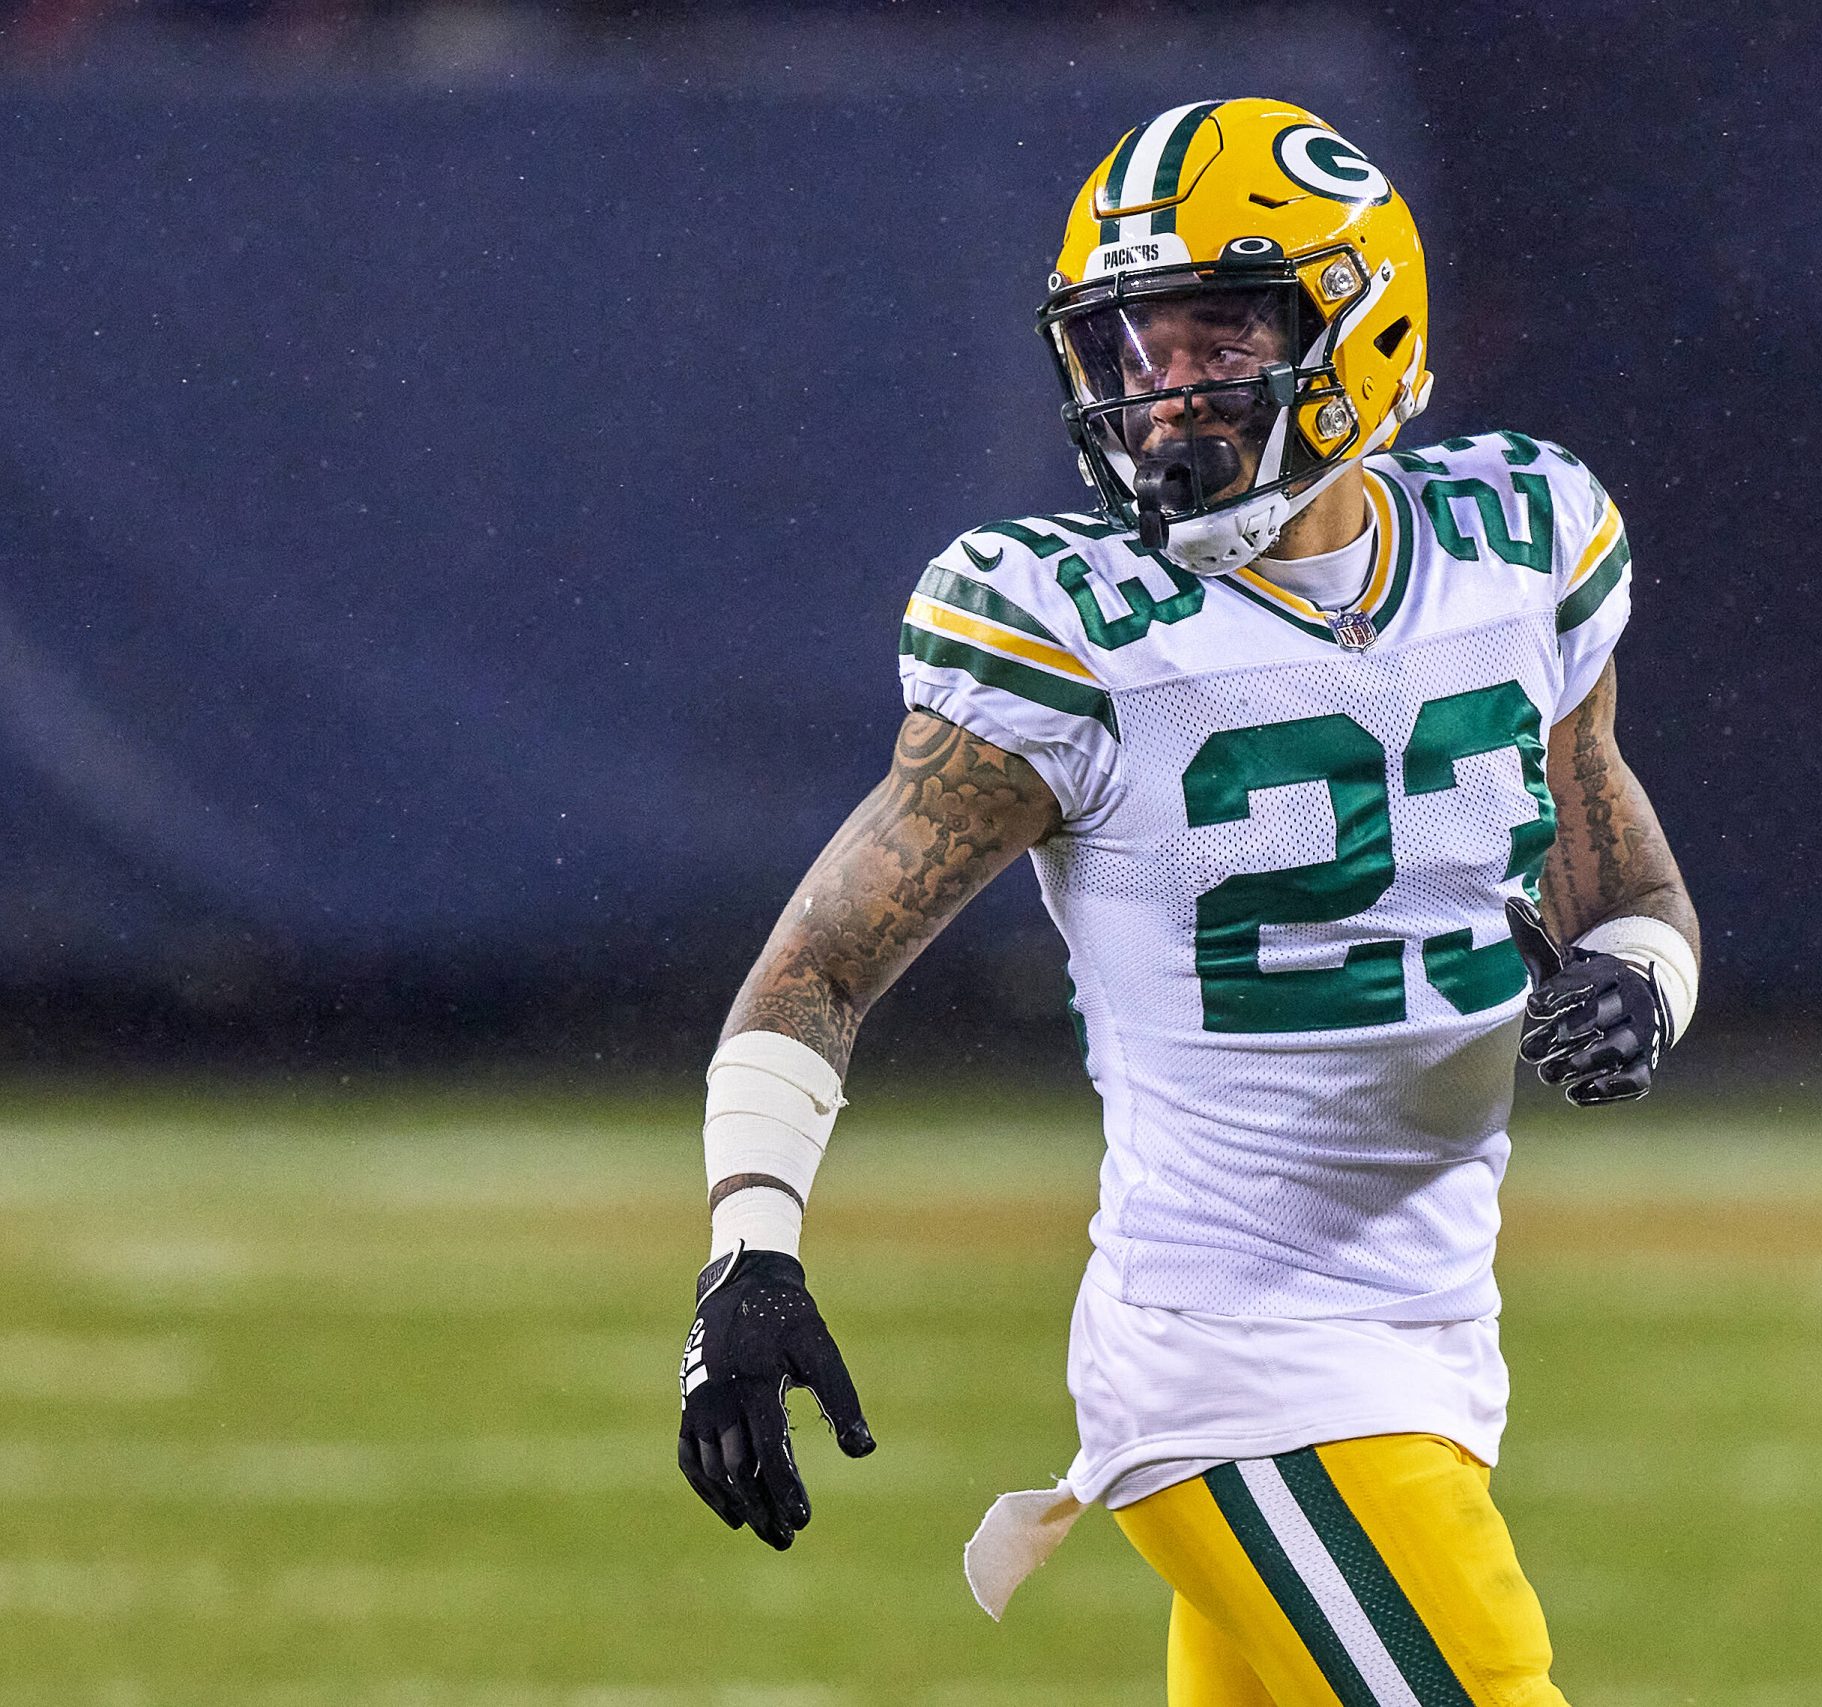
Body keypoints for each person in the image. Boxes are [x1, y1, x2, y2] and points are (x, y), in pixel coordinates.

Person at [675, 98, 1699, 1706]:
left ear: (1361, 332)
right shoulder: (1074, 634)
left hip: (1434, 1328)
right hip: (1235, 1363)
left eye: (1217, 338)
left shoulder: (1523, 544)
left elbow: (1620, 867)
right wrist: (750, 1255)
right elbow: (816, 967)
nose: (1166, 398)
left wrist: (1641, 976)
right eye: (1133, 352)